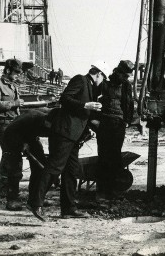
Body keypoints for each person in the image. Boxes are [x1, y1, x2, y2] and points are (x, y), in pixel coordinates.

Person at [28, 63, 105, 221]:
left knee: (71, 171)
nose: (103, 80)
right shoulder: (80, 80)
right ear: (98, 74)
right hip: (64, 133)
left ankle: (68, 208)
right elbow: (65, 98)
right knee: (54, 167)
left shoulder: (90, 87)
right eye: (103, 77)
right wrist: (85, 105)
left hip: (73, 136)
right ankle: (35, 203)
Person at [95, 60, 135, 203]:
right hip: (105, 123)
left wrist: (127, 121)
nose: (125, 79)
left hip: (118, 124)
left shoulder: (126, 86)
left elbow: (129, 104)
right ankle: (101, 192)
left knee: (115, 158)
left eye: (127, 76)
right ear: (117, 72)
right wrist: (96, 121)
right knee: (104, 157)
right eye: (124, 76)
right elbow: (95, 102)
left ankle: (113, 190)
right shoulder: (104, 84)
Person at [0, 109, 50, 213]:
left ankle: (35, 198)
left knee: (41, 165)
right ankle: (12, 199)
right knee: (15, 168)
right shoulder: (34, 118)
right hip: (12, 136)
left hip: (29, 137)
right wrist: (22, 144)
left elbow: (32, 135)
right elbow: (16, 132)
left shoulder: (48, 120)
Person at [0, 58, 23, 203]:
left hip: (13, 123)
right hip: (3, 124)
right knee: (10, 154)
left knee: (10, 154)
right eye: (16, 72)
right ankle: (3, 188)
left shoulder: (12, 86)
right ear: (8, 70)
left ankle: (5, 188)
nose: (17, 75)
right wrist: (14, 103)